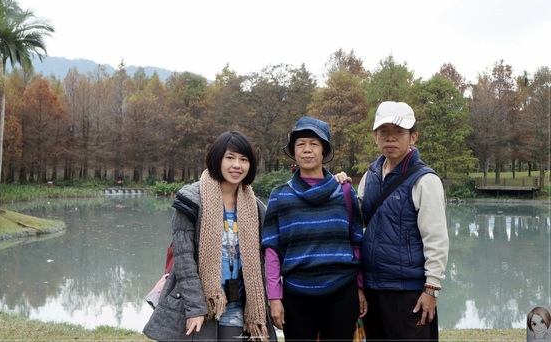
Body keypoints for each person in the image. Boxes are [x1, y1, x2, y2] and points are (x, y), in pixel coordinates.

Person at [143, 131, 277, 342]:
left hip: (238, 305)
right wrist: (196, 307)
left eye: (244, 160)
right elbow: (183, 258)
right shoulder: (191, 201)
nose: (237, 165)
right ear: (217, 159)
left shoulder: (257, 208)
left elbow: (268, 257)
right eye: (230, 157)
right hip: (198, 302)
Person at [336, 101, 449, 341]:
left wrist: (431, 289)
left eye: (398, 132)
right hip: (373, 286)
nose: (391, 138)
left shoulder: (425, 180)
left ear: (413, 137)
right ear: (375, 137)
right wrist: (340, 188)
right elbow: (359, 221)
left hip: (409, 290)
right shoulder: (371, 175)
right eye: (384, 132)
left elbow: (436, 239)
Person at [261, 116, 367, 341]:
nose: (307, 150)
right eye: (300, 144)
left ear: (324, 151)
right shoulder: (280, 196)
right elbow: (271, 252)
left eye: (314, 144)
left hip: (341, 291)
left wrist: (359, 287)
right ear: (294, 151)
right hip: (296, 295)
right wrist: (274, 298)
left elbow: (356, 243)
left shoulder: (344, 192)